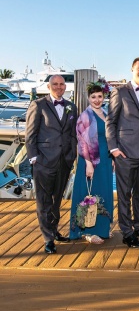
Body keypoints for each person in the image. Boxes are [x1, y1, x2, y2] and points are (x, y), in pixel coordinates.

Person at [106, 57, 139, 249]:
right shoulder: (119, 92)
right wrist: (114, 149)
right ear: (132, 70)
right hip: (125, 152)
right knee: (124, 193)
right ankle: (126, 232)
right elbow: (110, 121)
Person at [25, 75, 78, 254]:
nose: (59, 87)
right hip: (44, 161)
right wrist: (34, 159)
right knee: (44, 200)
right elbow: (30, 135)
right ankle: (48, 238)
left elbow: (72, 134)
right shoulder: (38, 105)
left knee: (57, 200)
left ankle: (54, 231)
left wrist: (72, 155)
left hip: (64, 161)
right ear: (49, 86)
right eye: (55, 84)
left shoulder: (71, 107)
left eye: (62, 84)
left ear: (65, 86)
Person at [69, 82, 113, 243]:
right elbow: (82, 142)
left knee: (103, 191)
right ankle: (86, 231)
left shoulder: (105, 113)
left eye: (99, 96)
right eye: (93, 97)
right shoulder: (86, 116)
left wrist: (113, 158)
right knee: (88, 193)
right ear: (88, 98)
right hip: (91, 160)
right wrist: (88, 163)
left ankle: (101, 228)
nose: (96, 100)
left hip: (105, 160)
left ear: (104, 97)